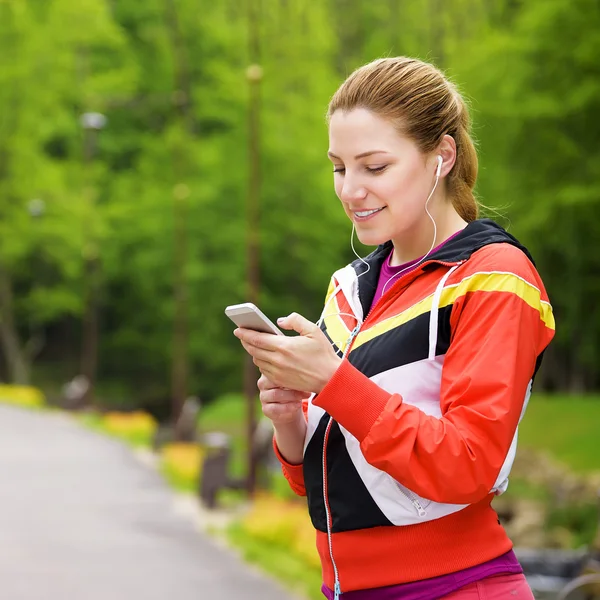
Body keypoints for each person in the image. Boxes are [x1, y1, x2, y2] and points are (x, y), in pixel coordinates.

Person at [233, 57, 555, 600]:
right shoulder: (349, 287)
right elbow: (330, 482)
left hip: (454, 586)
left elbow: (470, 464)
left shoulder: (494, 279)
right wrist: (291, 419)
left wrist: (334, 382)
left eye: (374, 167)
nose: (350, 190)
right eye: (339, 167)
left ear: (442, 157)